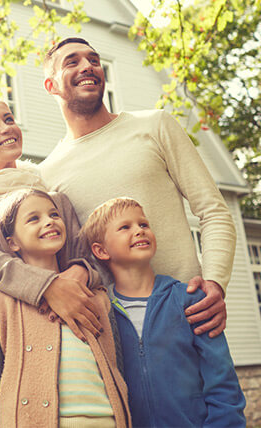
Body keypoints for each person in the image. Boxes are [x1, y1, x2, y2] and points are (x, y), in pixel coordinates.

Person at [40, 37, 236, 338]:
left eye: (93, 60)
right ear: (50, 86)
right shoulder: (48, 173)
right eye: (72, 62)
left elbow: (213, 211)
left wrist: (215, 283)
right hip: (114, 337)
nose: (88, 67)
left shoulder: (155, 126)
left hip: (189, 316)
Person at [0, 96, 102, 427]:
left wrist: (78, 272)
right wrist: (46, 287)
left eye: (9, 118)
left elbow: (88, 258)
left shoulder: (55, 200)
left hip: (64, 354)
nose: (6, 128)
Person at [80, 197, 246, 427]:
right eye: (125, 227)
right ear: (101, 250)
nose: (139, 230)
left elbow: (223, 381)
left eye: (143, 225)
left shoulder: (189, 300)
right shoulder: (101, 310)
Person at [0, 189, 130, 428]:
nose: (49, 221)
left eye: (54, 215)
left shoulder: (97, 298)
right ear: (12, 242)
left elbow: (117, 369)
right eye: (33, 218)